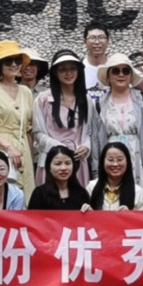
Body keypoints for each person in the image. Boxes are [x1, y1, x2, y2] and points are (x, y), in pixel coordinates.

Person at [86, 52, 143, 189]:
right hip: (110, 159)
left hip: (138, 157)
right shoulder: (98, 104)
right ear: (108, 76)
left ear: (131, 76)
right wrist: (96, 170)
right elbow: (95, 139)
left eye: (125, 71)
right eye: (116, 71)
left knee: (138, 196)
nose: (121, 75)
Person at [0, 40, 37, 196]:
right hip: (0, 148)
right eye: (8, 61)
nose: (14, 65)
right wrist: (8, 147)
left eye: (17, 60)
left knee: (25, 196)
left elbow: (29, 129)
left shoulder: (25, 92)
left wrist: (30, 157)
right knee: (1, 193)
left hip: (23, 149)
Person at [33, 51, 93, 188]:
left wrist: (86, 147)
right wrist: (58, 148)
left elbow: (88, 132)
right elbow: (38, 133)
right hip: (51, 161)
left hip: (77, 162)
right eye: (63, 69)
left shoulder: (86, 100)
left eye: (72, 68)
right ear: (55, 72)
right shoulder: (43, 100)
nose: (68, 73)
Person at [28, 144, 94, 211]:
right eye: (58, 164)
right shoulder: (39, 194)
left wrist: (89, 212)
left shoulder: (82, 193)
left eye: (67, 163)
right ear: (49, 167)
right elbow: (31, 217)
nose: (63, 168)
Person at [90, 142, 143, 211]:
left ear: (127, 162)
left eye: (120, 159)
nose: (115, 164)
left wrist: (130, 215)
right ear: (103, 162)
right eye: (110, 160)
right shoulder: (91, 187)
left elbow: (142, 218)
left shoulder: (139, 193)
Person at [81, 23, 110, 104]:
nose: (97, 42)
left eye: (101, 37)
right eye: (92, 38)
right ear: (85, 42)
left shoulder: (115, 68)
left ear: (108, 41)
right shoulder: (79, 68)